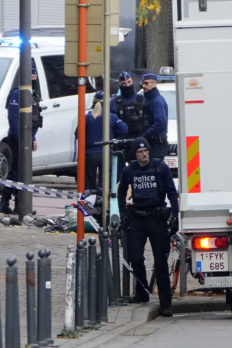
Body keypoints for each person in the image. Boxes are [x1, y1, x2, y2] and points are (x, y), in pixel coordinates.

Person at [117, 137, 179, 317]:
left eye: (146, 151)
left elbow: (171, 192)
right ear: (135, 154)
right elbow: (121, 194)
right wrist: (123, 215)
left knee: (160, 262)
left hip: (157, 218)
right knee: (135, 257)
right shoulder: (130, 170)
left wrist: (175, 215)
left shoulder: (160, 167)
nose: (143, 155)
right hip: (137, 217)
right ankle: (142, 292)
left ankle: (166, 304)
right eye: (139, 152)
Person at [0, 66, 43, 214]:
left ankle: (12, 203)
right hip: (18, 140)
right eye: (32, 76)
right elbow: (15, 120)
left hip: (26, 139)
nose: (34, 78)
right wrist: (23, 140)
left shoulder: (31, 94)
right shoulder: (18, 94)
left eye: (35, 76)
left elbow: (33, 120)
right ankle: (15, 204)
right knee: (17, 173)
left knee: (19, 172)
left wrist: (32, 138)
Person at [75, 90, 128, 190]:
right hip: (107, 153)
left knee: (88, 184)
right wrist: (113, 133)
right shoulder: (112, 117)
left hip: (89, 154)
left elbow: (78, 134)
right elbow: (124, 129)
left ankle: (89, 203)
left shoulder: (86, 118)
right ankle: (103, 203)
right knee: (105, 184)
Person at [110, 71, 147, 176]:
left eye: (129, 82)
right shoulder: (114, 102)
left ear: (132, 81)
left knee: (139, 173)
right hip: (121, 143)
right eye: (123, 84)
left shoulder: (141, 99)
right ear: (119, 85)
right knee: (119, 175)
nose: (127, 85)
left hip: (138, 142)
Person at [141, 71, 169, 160]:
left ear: (154, 84)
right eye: (142, 83)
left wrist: (146, 134)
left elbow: (160, 123)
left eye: (146, 83)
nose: (143, 86)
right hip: (151, 143)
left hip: (156, 144)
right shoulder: (148, 99)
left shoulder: (156, 101)